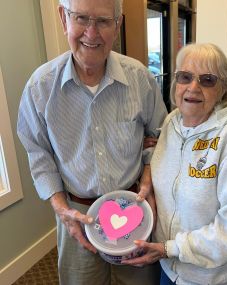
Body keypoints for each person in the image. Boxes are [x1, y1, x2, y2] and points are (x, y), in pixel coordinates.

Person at [17, 0, 167, 284]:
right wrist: (62, 209)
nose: (91, 33)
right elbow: (38, 154)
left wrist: (147, 176)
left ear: (118, 24)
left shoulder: (140, 79)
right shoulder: (40, 87)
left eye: (103, 21)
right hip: (77, 215)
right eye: (82, 18)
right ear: (64, 19)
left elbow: (159, 135)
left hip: (134, 211)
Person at [122, 43, 227, 285]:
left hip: (213, 277)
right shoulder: (171, 122)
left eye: (207, 80)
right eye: (185, 77)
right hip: (169, 266)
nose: (193, 87)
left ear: (223, 88)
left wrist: (170, 248)